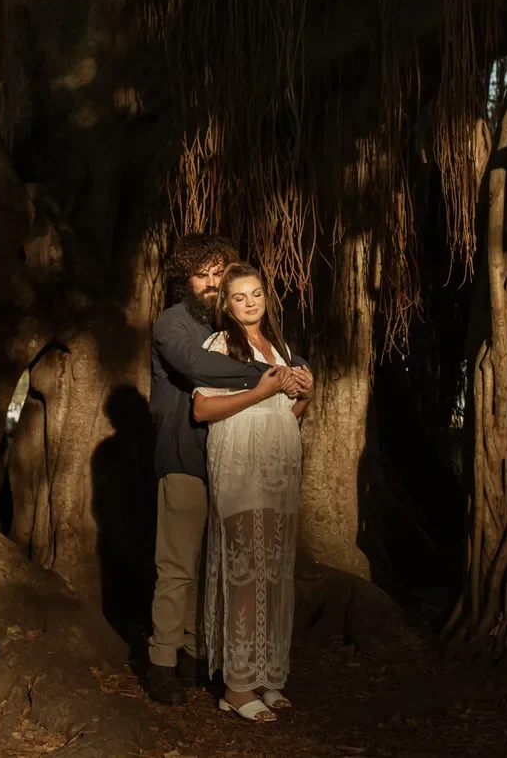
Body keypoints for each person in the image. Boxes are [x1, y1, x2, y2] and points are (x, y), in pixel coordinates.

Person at [146, 235, 307, 705]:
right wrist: (267, 379)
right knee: (178, 567)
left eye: (220, 273)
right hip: (185, 459)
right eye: (202, 274)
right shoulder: (172, 324)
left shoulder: (233, 325)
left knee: (221, 564)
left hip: (235, 464)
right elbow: (197, 366)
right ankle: (162, 664)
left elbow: (285, 360)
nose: (212, 283)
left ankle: (200, 658)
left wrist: (297, 373)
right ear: (185, 279)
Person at [193, 263, 312, 723]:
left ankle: (268, 675)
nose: (250, 303)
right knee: (244, 567)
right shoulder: (220, 345)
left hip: (278, 461)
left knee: (275, 569)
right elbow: (202, 408)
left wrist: (307, 393)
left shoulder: (279, 347)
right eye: (239, 296)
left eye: (257, 294)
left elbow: (289, 413)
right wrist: (262, 391)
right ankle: (237, 686)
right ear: (226, 303)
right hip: (239, 460)